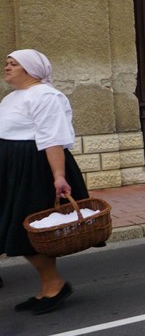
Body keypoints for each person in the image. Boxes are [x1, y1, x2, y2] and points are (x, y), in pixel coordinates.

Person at [1, 50, 90, 314]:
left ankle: (54, 286)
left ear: (29, 68)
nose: (7, 67)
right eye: (6, 63)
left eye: (13, 64)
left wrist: (59, 176)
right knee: (16, 230)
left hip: (33, 170)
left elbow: (53, 139)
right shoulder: (13, 97)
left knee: (28, 231)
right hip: (13, 170)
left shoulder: (47, 96)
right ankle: (46, 289)